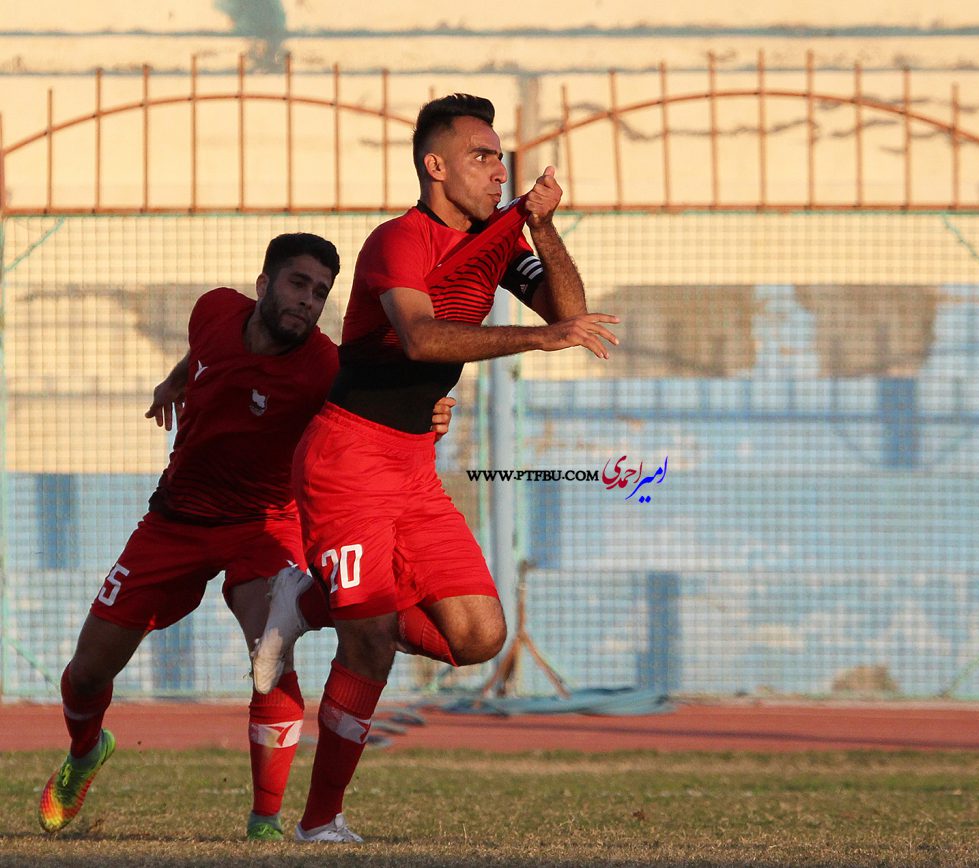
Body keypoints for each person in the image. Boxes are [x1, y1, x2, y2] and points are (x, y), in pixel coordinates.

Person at [256, 93, 619, 844]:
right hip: (347, 458)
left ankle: (307, 601)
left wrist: (542, 229)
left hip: (414, 464)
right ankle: (319, 824)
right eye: (483, 156)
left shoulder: (497, 239)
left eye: (500, 158)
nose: (498, 171)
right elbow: (420, 338)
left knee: (480, 636)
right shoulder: (398, 239)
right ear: (436, 165)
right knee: (373, 639)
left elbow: (569, 307)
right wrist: (538, 339)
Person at [36, 231, 457, 842]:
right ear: (263, 285)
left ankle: (265, 822)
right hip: (173, 521)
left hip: (265, 525)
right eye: (297, 283)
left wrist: (428, 415)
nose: (308, 301)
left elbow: (377, 406)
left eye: (320, 293)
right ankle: (83, 754)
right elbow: (202, 349)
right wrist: (175, 380)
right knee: (86, 674)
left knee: (271, 658)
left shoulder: (325, 368)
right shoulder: (212, 308)